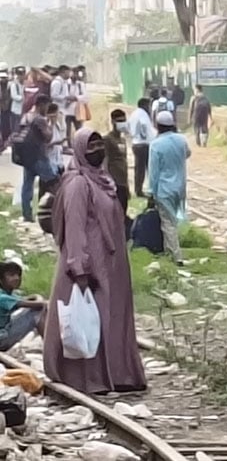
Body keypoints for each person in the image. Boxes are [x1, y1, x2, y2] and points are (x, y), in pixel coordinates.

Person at [45, 128, 148, 394]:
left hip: (111, 264)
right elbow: (76, 228)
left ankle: (117, 374)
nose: (96, 152)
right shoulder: (78, 184)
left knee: (111, 317)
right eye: (90, 148)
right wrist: (79, 267)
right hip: (88, 264)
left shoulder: (104, 180)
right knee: (90, 319)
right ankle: (88, 378)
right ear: (80, 151)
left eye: (99, 146)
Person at [148, 111, 189, 263]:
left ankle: (176, 256)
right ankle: (169, 252)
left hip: (164, 189)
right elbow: (187, 154)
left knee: (168, 224)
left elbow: (154, 172)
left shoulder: (156, 145)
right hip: (180, 187)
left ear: (158, 126)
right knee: (173, 221)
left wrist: (151, 192)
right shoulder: (181, 140)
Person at [16, 95, 58, 223]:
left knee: (27, 185)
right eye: (46, 106)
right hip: (39, 156)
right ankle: (58, 210)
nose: (47, 109)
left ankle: (27, 214)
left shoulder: (26, 116)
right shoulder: (40, 119)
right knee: (54, 183)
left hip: (26, 157)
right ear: (41, 104)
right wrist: (51, 124)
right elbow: (48, 137)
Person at [0, 261, 44, 351]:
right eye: (11, 275)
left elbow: (29, 298)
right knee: (37, 313)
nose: (16, 278)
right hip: (2, 338)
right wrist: (41, 300)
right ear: (1, 279)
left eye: (18, 275)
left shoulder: (7, 294)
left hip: (4, 331)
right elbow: (39, 305)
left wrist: (37, 297)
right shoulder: (3, 297)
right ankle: (50, 347)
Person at [127, 97, 156, 198]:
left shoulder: (134, 114)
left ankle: (138, 189)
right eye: (149, 105)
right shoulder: (143, 114)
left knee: (139, 168)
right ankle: (149, 190)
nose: (149, 107)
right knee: (148, 168)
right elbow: (144, 125)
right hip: (144, 144)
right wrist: (144, 135)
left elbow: (128, 126)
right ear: (144, 105)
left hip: (136, 143)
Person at [105, 109, 130, 221]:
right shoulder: (108, 139)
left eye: (124, 120)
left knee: (123, 211)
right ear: (113, 122)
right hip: (114, 181)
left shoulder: (123, 140)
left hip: (123, 181)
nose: (122, 123)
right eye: (120, 121)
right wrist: (107, 181)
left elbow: (124, 161)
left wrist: (128, 185)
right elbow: (105, 161)